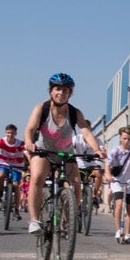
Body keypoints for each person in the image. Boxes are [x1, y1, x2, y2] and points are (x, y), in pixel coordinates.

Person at [24, 73, 105, 233]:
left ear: (70, 94)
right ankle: (34, 220)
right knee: (37, 178)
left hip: (66, 154)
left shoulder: (75, 113)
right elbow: (30, 128)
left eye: (65, 91)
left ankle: (68, 218)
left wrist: (96, 149)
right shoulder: (42, 108)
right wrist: (28, 142)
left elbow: (86, 132)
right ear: (51, 91)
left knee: (76, 184)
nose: (61, 93)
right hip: (43, 151)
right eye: (57, 89)